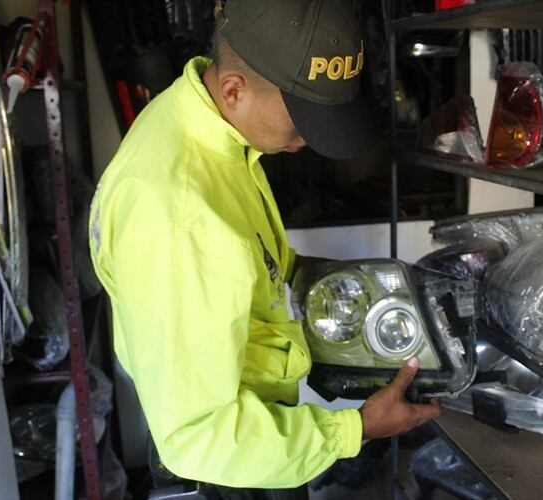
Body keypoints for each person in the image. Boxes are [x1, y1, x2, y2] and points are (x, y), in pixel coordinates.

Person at [88, 0, 441, 497]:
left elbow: (240, 263)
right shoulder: (180, 218)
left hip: (260, 429)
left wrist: (332, 279)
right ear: (234, 90)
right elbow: (198, 438)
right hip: (232, 466)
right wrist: (357, 429)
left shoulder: (203, 125)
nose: (308, 141)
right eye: (301, 120)